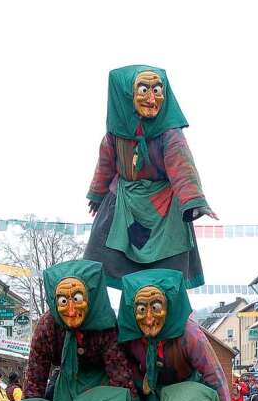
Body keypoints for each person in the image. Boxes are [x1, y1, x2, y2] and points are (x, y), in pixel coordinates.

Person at [83, 65, 214, 288]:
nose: (152, 99)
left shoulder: (170, 134)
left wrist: (193, 200)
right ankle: (107, 315)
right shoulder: (115, 134)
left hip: (164, 209)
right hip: (124, 203)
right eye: (144, 90)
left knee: (168, 272)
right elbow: (105, 164)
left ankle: (171, 313)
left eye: (157, 90)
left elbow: (181, 165)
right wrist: (97, 193)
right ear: (128, 94)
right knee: (99, 255)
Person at [117, 269, 233, 401]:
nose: (149, 320)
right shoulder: (131, 337)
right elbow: (123, 365)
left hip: (188, 399)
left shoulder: (189, 334)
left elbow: (214, 374)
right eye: (142, 310)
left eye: (156, 308)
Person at [24, 260, 133, 401]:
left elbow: (118, 370)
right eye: (63, 301)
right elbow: (36, 374)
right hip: (65, 382)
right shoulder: (47, 326)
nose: (71, 311)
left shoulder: (106, 324)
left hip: (101, 385)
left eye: (77, 299)